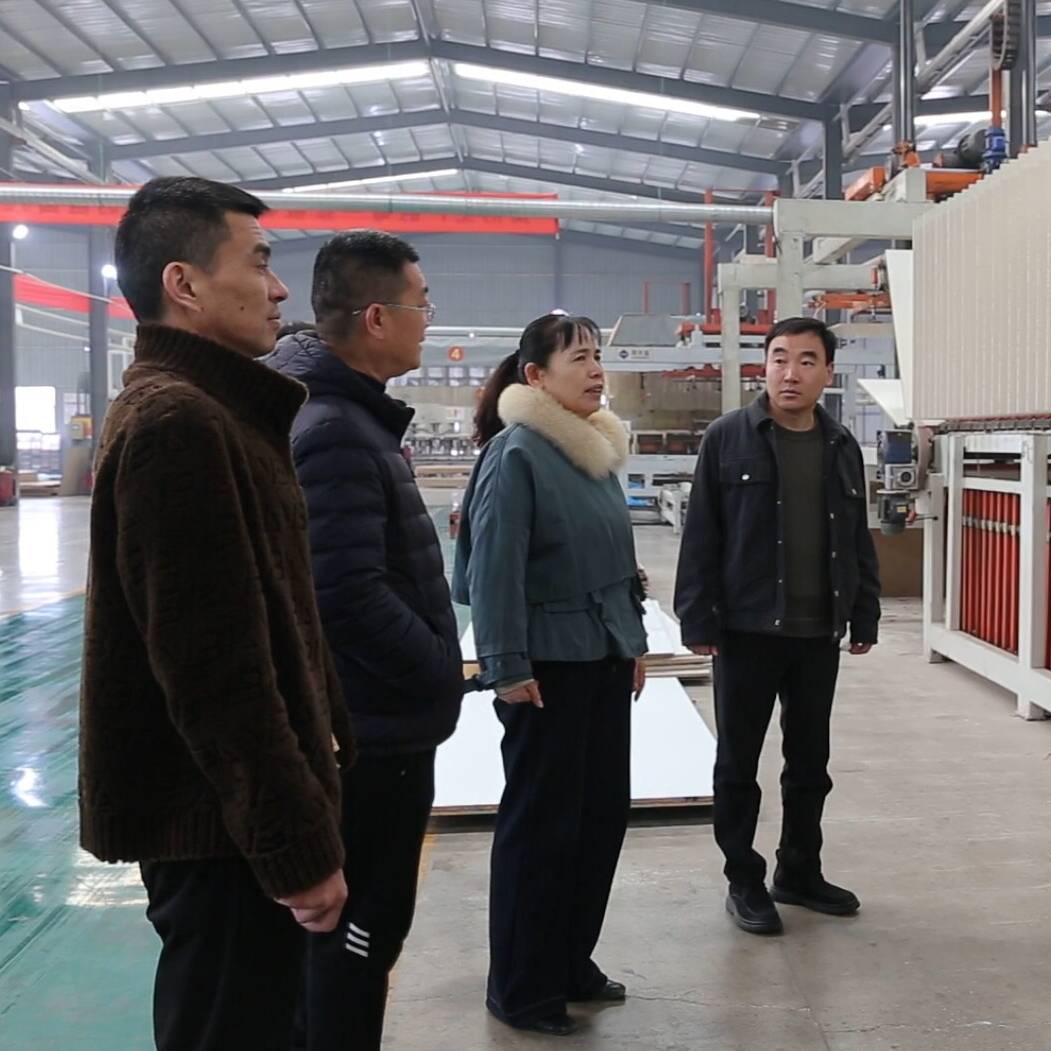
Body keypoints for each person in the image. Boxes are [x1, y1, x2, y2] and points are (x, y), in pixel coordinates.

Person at [78, 176, 351, 1051]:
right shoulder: (179, 423)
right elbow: (214, 672)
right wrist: (292, 846)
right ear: (185, 284)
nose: (279, 288)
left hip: (235, 830)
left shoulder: (222, 415)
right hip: (221, 838)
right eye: (260, 263)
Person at [265, 231, 463, 1049]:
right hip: (373, 735)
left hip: (378, 725)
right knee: (357, 942)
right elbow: (343, 592)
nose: (428, 319)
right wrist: (435, 670)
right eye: (421, 304)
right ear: (377, 317)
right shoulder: (338, 429)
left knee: (356, 942)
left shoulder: (352, 415)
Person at [453, 313, 648, 1037]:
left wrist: (631, 643)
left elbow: (616, 562)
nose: (596, 370)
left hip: (601, 658)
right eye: (579, 358)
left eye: (598, 356)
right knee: (542, 830)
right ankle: (522, 987)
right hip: (546, 670)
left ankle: (569, 961)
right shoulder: (518, 453)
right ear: (536, 376)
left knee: (597, 820)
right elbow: (493, 568)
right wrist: (504, 666)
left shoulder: (592, 448)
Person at [674, 316, 881, 936]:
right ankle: (744, 879)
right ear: (764, 367)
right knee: (738, 764)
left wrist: (865, 610)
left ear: (827, 372)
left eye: (807, 360)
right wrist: (697, 617)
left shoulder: (840, 445)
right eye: (780, 358)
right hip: (746, 631)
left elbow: (857, 535)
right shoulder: (727, 437)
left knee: (810, 763)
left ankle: (799, 870)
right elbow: (701, 534)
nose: (791, 373)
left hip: (818, 632)